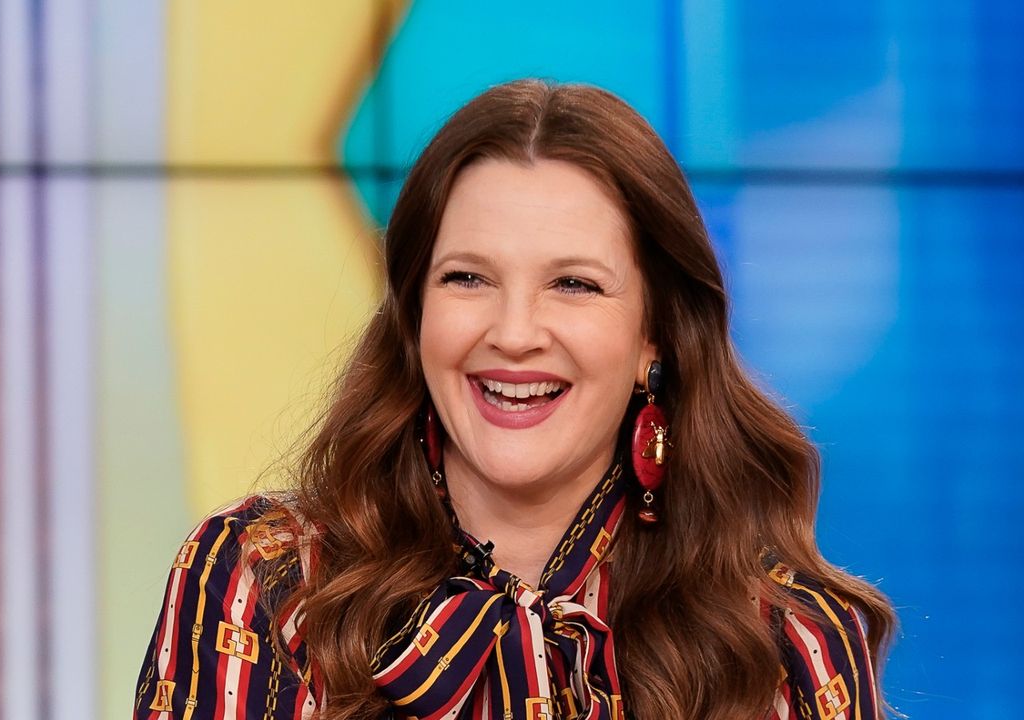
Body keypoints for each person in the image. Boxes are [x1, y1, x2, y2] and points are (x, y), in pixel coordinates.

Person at [133, 79, 895, 720]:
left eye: (574, 284)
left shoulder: (790, 640)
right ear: (415, 316)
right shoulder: (260, 580)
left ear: (652, 337)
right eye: (468, 277)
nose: (516, 332)